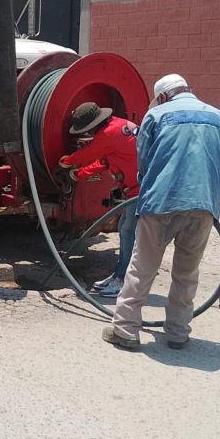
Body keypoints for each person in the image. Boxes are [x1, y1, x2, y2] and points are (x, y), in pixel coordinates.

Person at [103, 74, 220, 351]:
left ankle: (126, 331)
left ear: (164, 96)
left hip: (160, 204)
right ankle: (178, 333)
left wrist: (151, 191)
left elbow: (143, 165)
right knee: (186, 272)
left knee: (142, 268)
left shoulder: (156, 117)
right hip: (203, 206)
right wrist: (209, 194)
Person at [57, 102, 139, 298]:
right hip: (136, 188)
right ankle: (119, 275)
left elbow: (89, 152)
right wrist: (81, 174)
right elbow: (105, 161)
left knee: (130, 233)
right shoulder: (119, 125)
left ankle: (123, 281)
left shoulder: (108, 134)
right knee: (126, 230)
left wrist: (66, 162)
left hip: (142, 189)